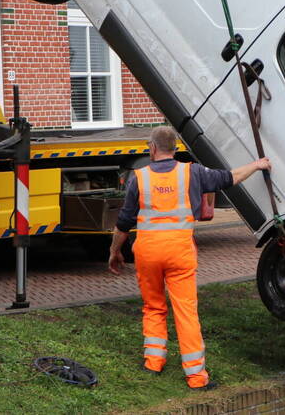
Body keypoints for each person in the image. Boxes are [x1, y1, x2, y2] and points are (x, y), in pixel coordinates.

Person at [108, 126, 271, 389]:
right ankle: (196, 377)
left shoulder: (139, 177)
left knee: (153, 306)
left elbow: (124, 221)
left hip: (148, 252)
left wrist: (114, 251)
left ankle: (153, 362)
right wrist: (257, 164)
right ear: (175, 148)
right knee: (185, 311)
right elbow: (230, 178)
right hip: (179, 251)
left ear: (152, 148)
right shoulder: (192, 172)